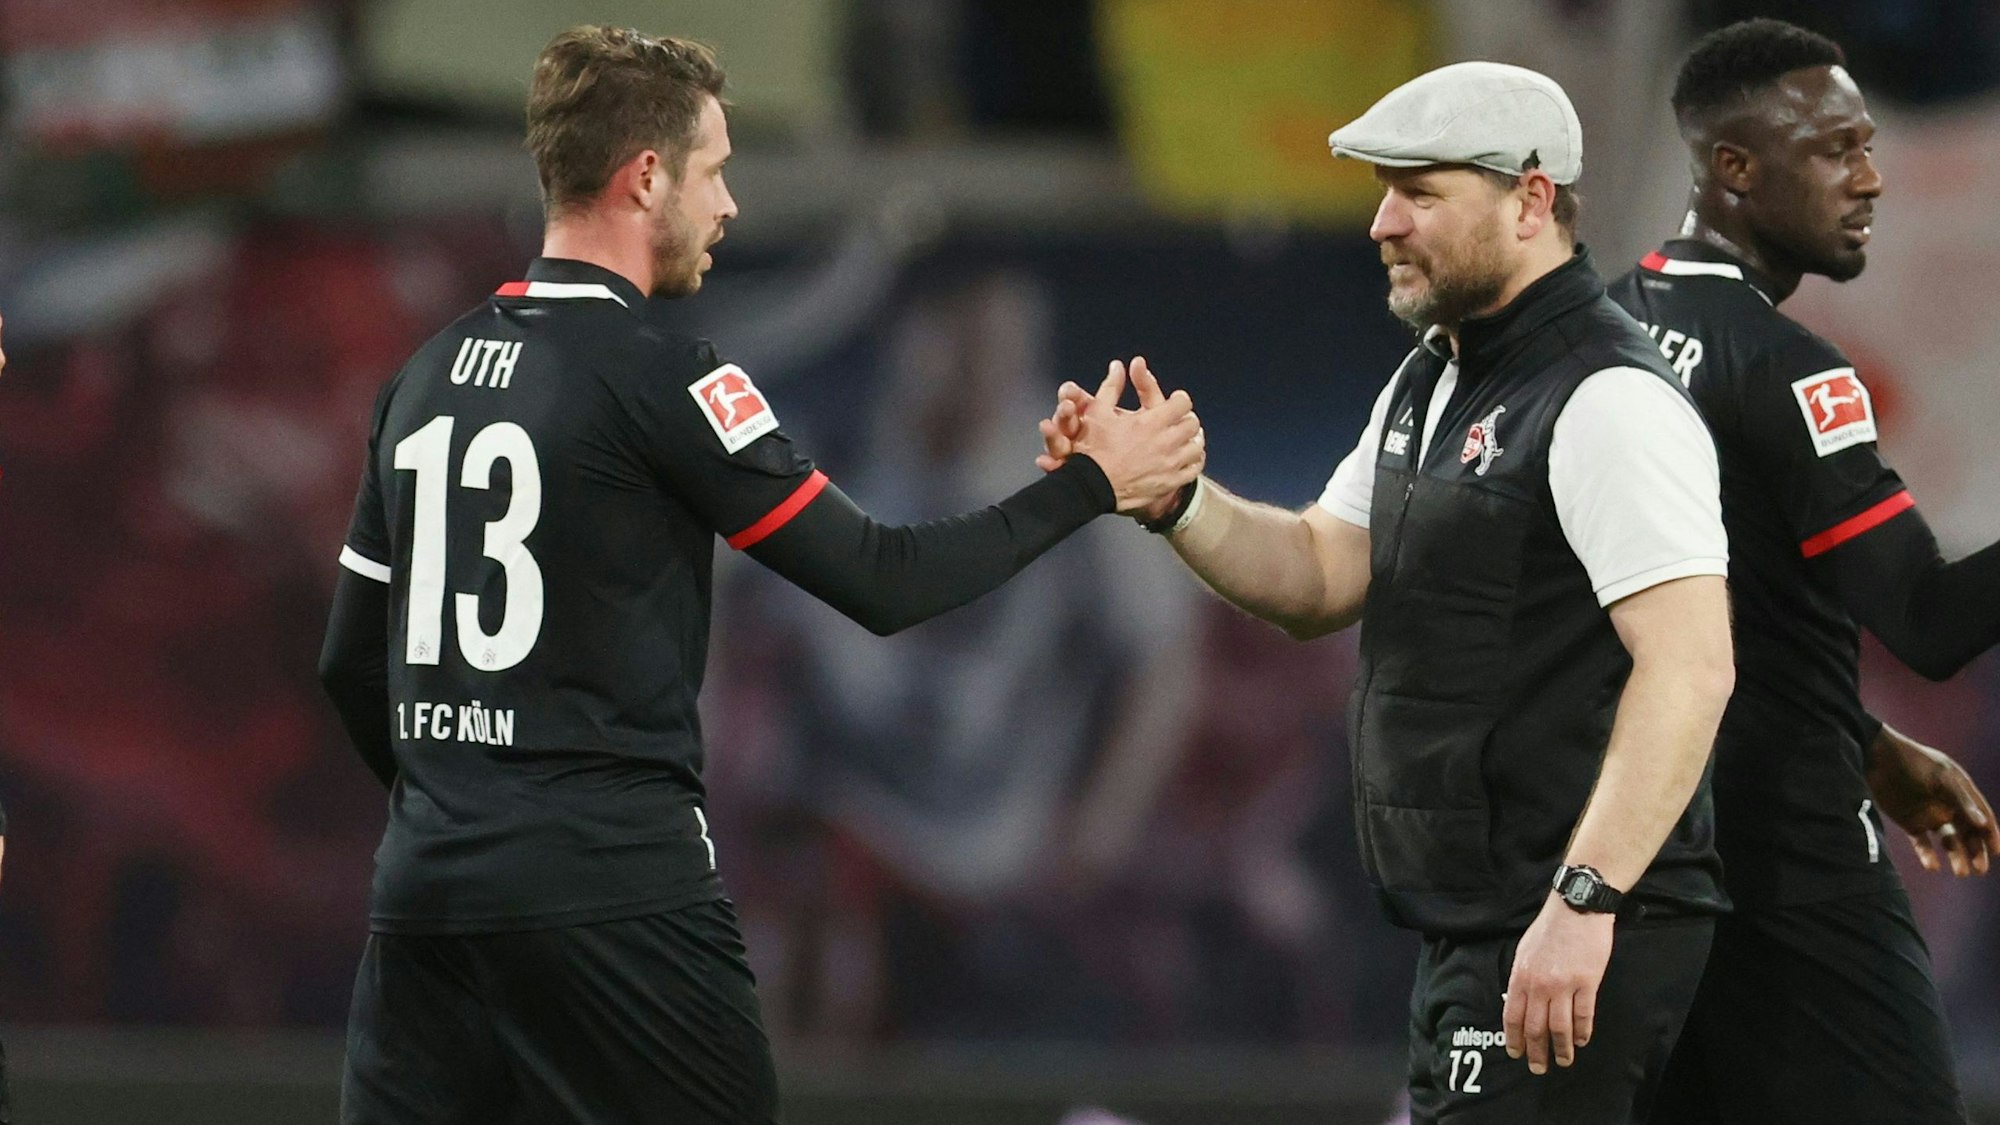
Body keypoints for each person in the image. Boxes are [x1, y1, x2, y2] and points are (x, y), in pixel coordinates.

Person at [316, 26, 1203, 1125]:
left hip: (427, 893)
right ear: (646, 179)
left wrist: (461, 808)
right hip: (613, 894)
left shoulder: (426, 376)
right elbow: (882, 579)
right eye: (716, 170)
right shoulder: (673, 382)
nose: (730, 205)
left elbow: (352, 663)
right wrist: (1088, 486)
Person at [1045, 62, 1735, 1124]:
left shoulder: (1605, 399)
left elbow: (1688, 667)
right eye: (1382, 190)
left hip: (1575, 927)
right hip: (1485, 925)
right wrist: (1173, 501)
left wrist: (1582, 900)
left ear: (1530, 200)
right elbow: (1319, 572)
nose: (1381, 222)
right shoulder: (1434, 378)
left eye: (1418, 192)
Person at [1608, 19, 2000, 1124]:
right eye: (1832, 153)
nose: (1866, 181)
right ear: (1733, 169)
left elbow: (1664, 612)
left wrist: (1864, 741)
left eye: (1862, 146)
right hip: (1780, 866)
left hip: (1624, 856)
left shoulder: (1598, 327)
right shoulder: (1786, 373)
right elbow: (1923, 622)